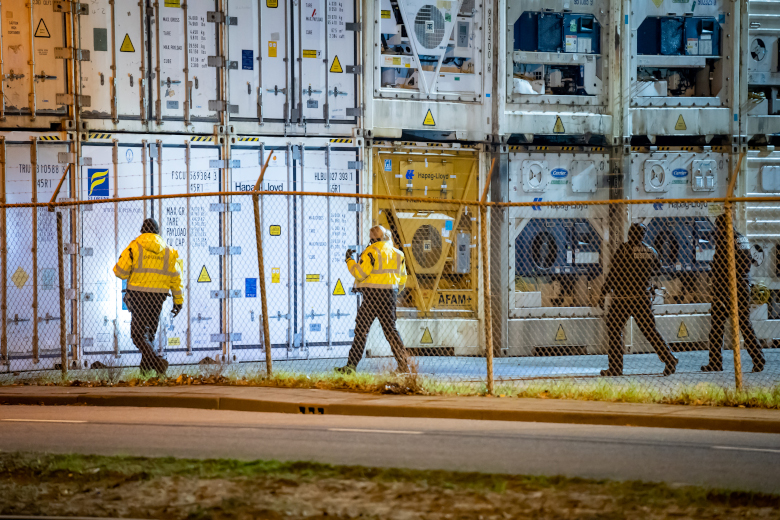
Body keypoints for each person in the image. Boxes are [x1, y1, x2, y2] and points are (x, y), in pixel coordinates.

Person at [599, 223, 678, 377]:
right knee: (650, 331)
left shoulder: (624, 249)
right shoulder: (650, 251)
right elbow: (658, 269)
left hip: (624, 297)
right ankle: (669, 358)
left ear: (630, 234)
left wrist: (604, 292)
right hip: (642, 296)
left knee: (614, 329)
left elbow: (614, 273)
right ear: (643, 235)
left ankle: (615, 368)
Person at [113, 218, 184, 376]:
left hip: (138, 296)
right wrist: (178, 302)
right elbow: (177, 279)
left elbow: (120, 272)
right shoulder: (169, 251)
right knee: (149, 334)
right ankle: (145, 373)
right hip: (158, 298)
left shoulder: (134, 247)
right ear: (158, 232)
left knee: (138, 335)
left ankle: (157, 363)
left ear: (142, 231)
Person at [335, 225, 410, 374]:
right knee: (391, 331)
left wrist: (349, 260)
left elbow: (360, 273)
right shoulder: (398, 254)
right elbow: (402, 279)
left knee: (361, 330)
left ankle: (351, 366)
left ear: (373, 239)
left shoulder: (371, 252)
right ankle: (404, 366)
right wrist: (394, 292)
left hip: (371, 297)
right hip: (390, 296)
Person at [703, 213, 765, 372]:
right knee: (745, 324)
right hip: (743, 286)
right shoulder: (742, 239)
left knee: (716, 327)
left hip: (726, 289)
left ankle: (715, 362)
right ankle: (758, 358)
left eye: (718, 227)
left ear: (722, 227)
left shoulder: (725, 241)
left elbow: (719, 267)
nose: (716, 230)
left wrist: (716, 289)